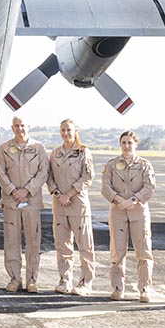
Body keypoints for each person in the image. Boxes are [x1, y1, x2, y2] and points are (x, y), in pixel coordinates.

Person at [0, 116, 48, 293]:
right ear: (12, 128)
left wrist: (26, 191)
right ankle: (14, 279)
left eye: (23, 125)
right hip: (11, 202)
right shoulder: (4, 148)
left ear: (28, 127)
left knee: (33, 241)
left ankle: (32, 279)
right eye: (16, 126)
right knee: (11, 242)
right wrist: (12, 191)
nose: (20, 129)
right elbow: (0, 173)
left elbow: (43, 173)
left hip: (31, 202)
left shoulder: (38, 148)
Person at [101, 130, 156, 303]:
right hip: (118, 210)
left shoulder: (145, 165)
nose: (126, 146)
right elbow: (105, 187)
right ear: (120, 144)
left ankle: (144, 288)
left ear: (135, 144)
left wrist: (133, 200)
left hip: (138, 211)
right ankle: (117, 287)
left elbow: (149, 187)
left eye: (130, 143)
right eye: (124, 143)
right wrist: (119, 200)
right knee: (117, 251)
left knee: (143, 251)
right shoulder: (111, 165)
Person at [47, 118, 95, 296]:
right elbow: (49, 176)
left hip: (77, 204)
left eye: (69, 130)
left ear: (75, 131)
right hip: (59, 204)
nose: (66, 133)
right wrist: (57, 193)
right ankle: (64, 279)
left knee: (84, 245)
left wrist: (70, 194)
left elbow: (87, 177)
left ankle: (85, 282)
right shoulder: (55, 153)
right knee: (63, 245)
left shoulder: (83, 152)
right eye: (63, 130)